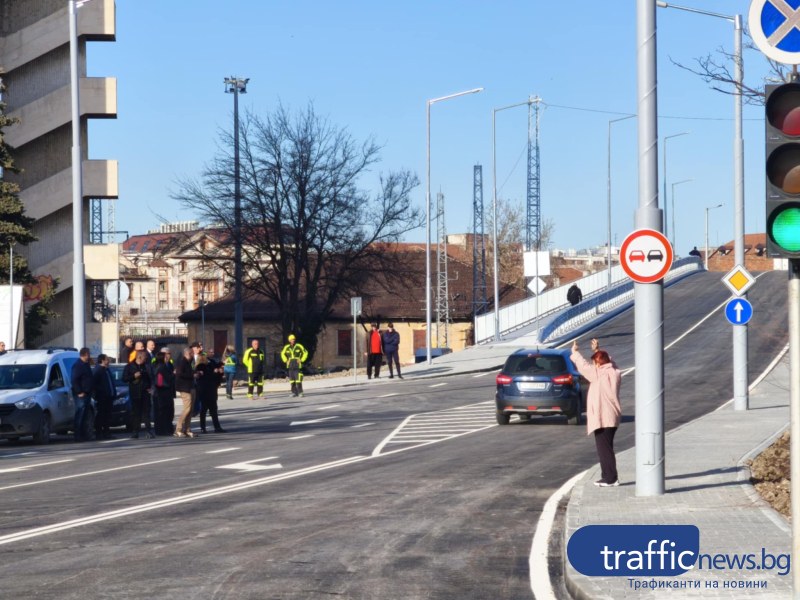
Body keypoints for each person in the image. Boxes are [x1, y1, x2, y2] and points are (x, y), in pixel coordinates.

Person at [571, 338, 622, 487]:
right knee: (607, 448)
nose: (594, 364)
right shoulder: (615, 372)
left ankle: (610, 478)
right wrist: (597, 351)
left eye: (595, 362)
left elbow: (583, 366)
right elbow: (610, 362)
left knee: (604, 449)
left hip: (602, 417)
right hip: (612, 416)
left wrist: (575, 352)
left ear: (599, 364)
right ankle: (608, 476)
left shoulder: (597, 375)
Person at [123, 350, 155, 439]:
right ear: (139, 357)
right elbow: (124, 378)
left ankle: (149, 431)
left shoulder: (146, 366)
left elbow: (151, 378)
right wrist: (133, 376)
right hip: (135, 393)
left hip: (145, 392)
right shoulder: (129, 366)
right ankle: (135, 432)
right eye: (145, 357)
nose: (146, 359)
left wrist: (151, 388)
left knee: (146, 413)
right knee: (136, 413)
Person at [196, 353, 225, 433]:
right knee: (204, 411)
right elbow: (208, 377)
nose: (207, 360)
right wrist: (215, 372)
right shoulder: (200, 367)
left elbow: (215, 377)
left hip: (211, 390)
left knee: (213, 410)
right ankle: (203, 428)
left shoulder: (209, 366)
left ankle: (217, 427)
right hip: (205, 391)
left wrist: (219, 372)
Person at [91, 353, 116, 440]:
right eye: (107, 359)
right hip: (102, 397)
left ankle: (107, 432)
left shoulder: (106, 370)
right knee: (101, 415)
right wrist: (100, 392)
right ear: (102, 360)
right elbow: (94, 384)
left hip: (109, 397)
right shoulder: (98, 370)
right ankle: (99, 433)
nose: (108, 361)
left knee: (107, 416)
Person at [71, 347, 94, 442]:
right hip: (81, 394)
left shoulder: (86, 364)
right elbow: (74, 380)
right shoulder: (78, 365)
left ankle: (85, 435)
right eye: (88, 354)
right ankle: (78, 435)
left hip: (87, 393)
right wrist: (79, 392)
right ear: (85, 354)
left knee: (85, 416)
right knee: (80, 414)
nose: (89, 356)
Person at [174, 347, 196, 438]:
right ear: (188, 353)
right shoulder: (182, 362)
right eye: (191, 353)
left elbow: (190, 372)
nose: (192, 355)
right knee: (187, 408)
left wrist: (196, 373)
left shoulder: (189, 362)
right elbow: (179, 373)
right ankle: (178, 429)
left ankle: (187, 429)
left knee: (190, 410)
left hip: (190, 386)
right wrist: (192, 375)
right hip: (184, 388)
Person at [152, 349, 175, 436]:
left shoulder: (159, 366)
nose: (167, 358)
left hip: (161, 391)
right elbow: (168, 378)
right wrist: (174, 374)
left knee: (163, 411)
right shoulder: (162, 367)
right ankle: (163, 430)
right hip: (163, 391)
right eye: (165, 356)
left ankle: (163, 429)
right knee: (164, 411)